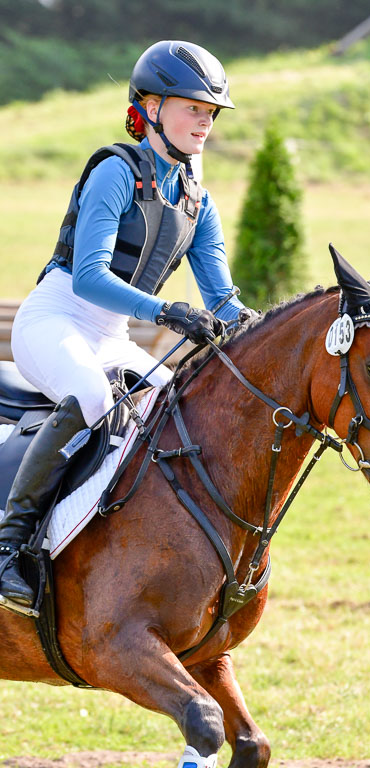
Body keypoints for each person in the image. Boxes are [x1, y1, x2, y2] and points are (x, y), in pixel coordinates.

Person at [0, 40, 252, 609]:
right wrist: (165, 311)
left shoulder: (196, 201)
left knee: (179, 409)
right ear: (152, 108)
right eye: (193, 108)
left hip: (112, 336)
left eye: (211, 113)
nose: (204, 122)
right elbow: (88, 277)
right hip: (56, 317)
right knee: (92, 395)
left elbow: (223, 299)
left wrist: (267, 326)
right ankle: (9, 548)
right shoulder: (116, 171)